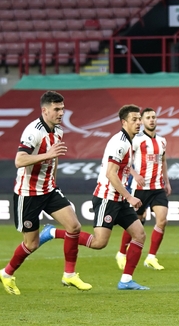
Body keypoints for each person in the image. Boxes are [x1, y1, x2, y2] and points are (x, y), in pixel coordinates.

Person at [40, 104, 151, 290]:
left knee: (139, 234)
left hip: (119, 198)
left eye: (139, 119)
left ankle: (126, 281)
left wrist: (125, 196)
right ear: (124, 122)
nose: (139, 122)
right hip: (107, 197)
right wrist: (130, 197)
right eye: (134, 119)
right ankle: (52, 233)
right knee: (99, 243)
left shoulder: (129, 141)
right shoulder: (120, 143)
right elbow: (110, 174)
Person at [0, 91, 92, 295]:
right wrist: (47, 154)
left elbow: (55, 157)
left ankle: (69, 275)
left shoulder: (58, 130)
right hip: (28, 193)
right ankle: (6, 273)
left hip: (49, 189)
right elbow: (19, 160)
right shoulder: (33, 132)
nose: (61, 112)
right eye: (57, 109)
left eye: (62, 108)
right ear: (45, 110)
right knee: (31, 243)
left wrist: (53, 178)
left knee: (74, 226)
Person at [117, 107, 171, 271]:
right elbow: (126, 161)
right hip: (140, 188)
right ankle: (121, 253)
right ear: (143, 121)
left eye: (153, 117)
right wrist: (134, 174)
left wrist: (167, 182)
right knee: (135, 222)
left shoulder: (162, 141)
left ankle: (151, 257)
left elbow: (163, 161)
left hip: (157, 187)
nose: (152, 120)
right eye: (148, 117)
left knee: (162, 220)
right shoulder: (137, 140)